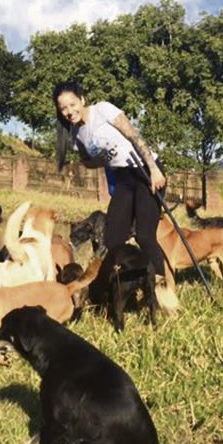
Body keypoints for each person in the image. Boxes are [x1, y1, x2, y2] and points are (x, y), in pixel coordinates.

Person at [53, 81, 177, 310]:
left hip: (144, 171)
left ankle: (161, 296)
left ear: (82, 99)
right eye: (63, 108)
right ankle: (119, 289)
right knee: (112, 239)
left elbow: (134, 136)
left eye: (72, 104)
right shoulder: (77, 133)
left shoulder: (103, 110)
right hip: (123, 178)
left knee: (144, 236)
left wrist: (154, 169)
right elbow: (88, 162)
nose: (69, 111)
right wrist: (105, 158)